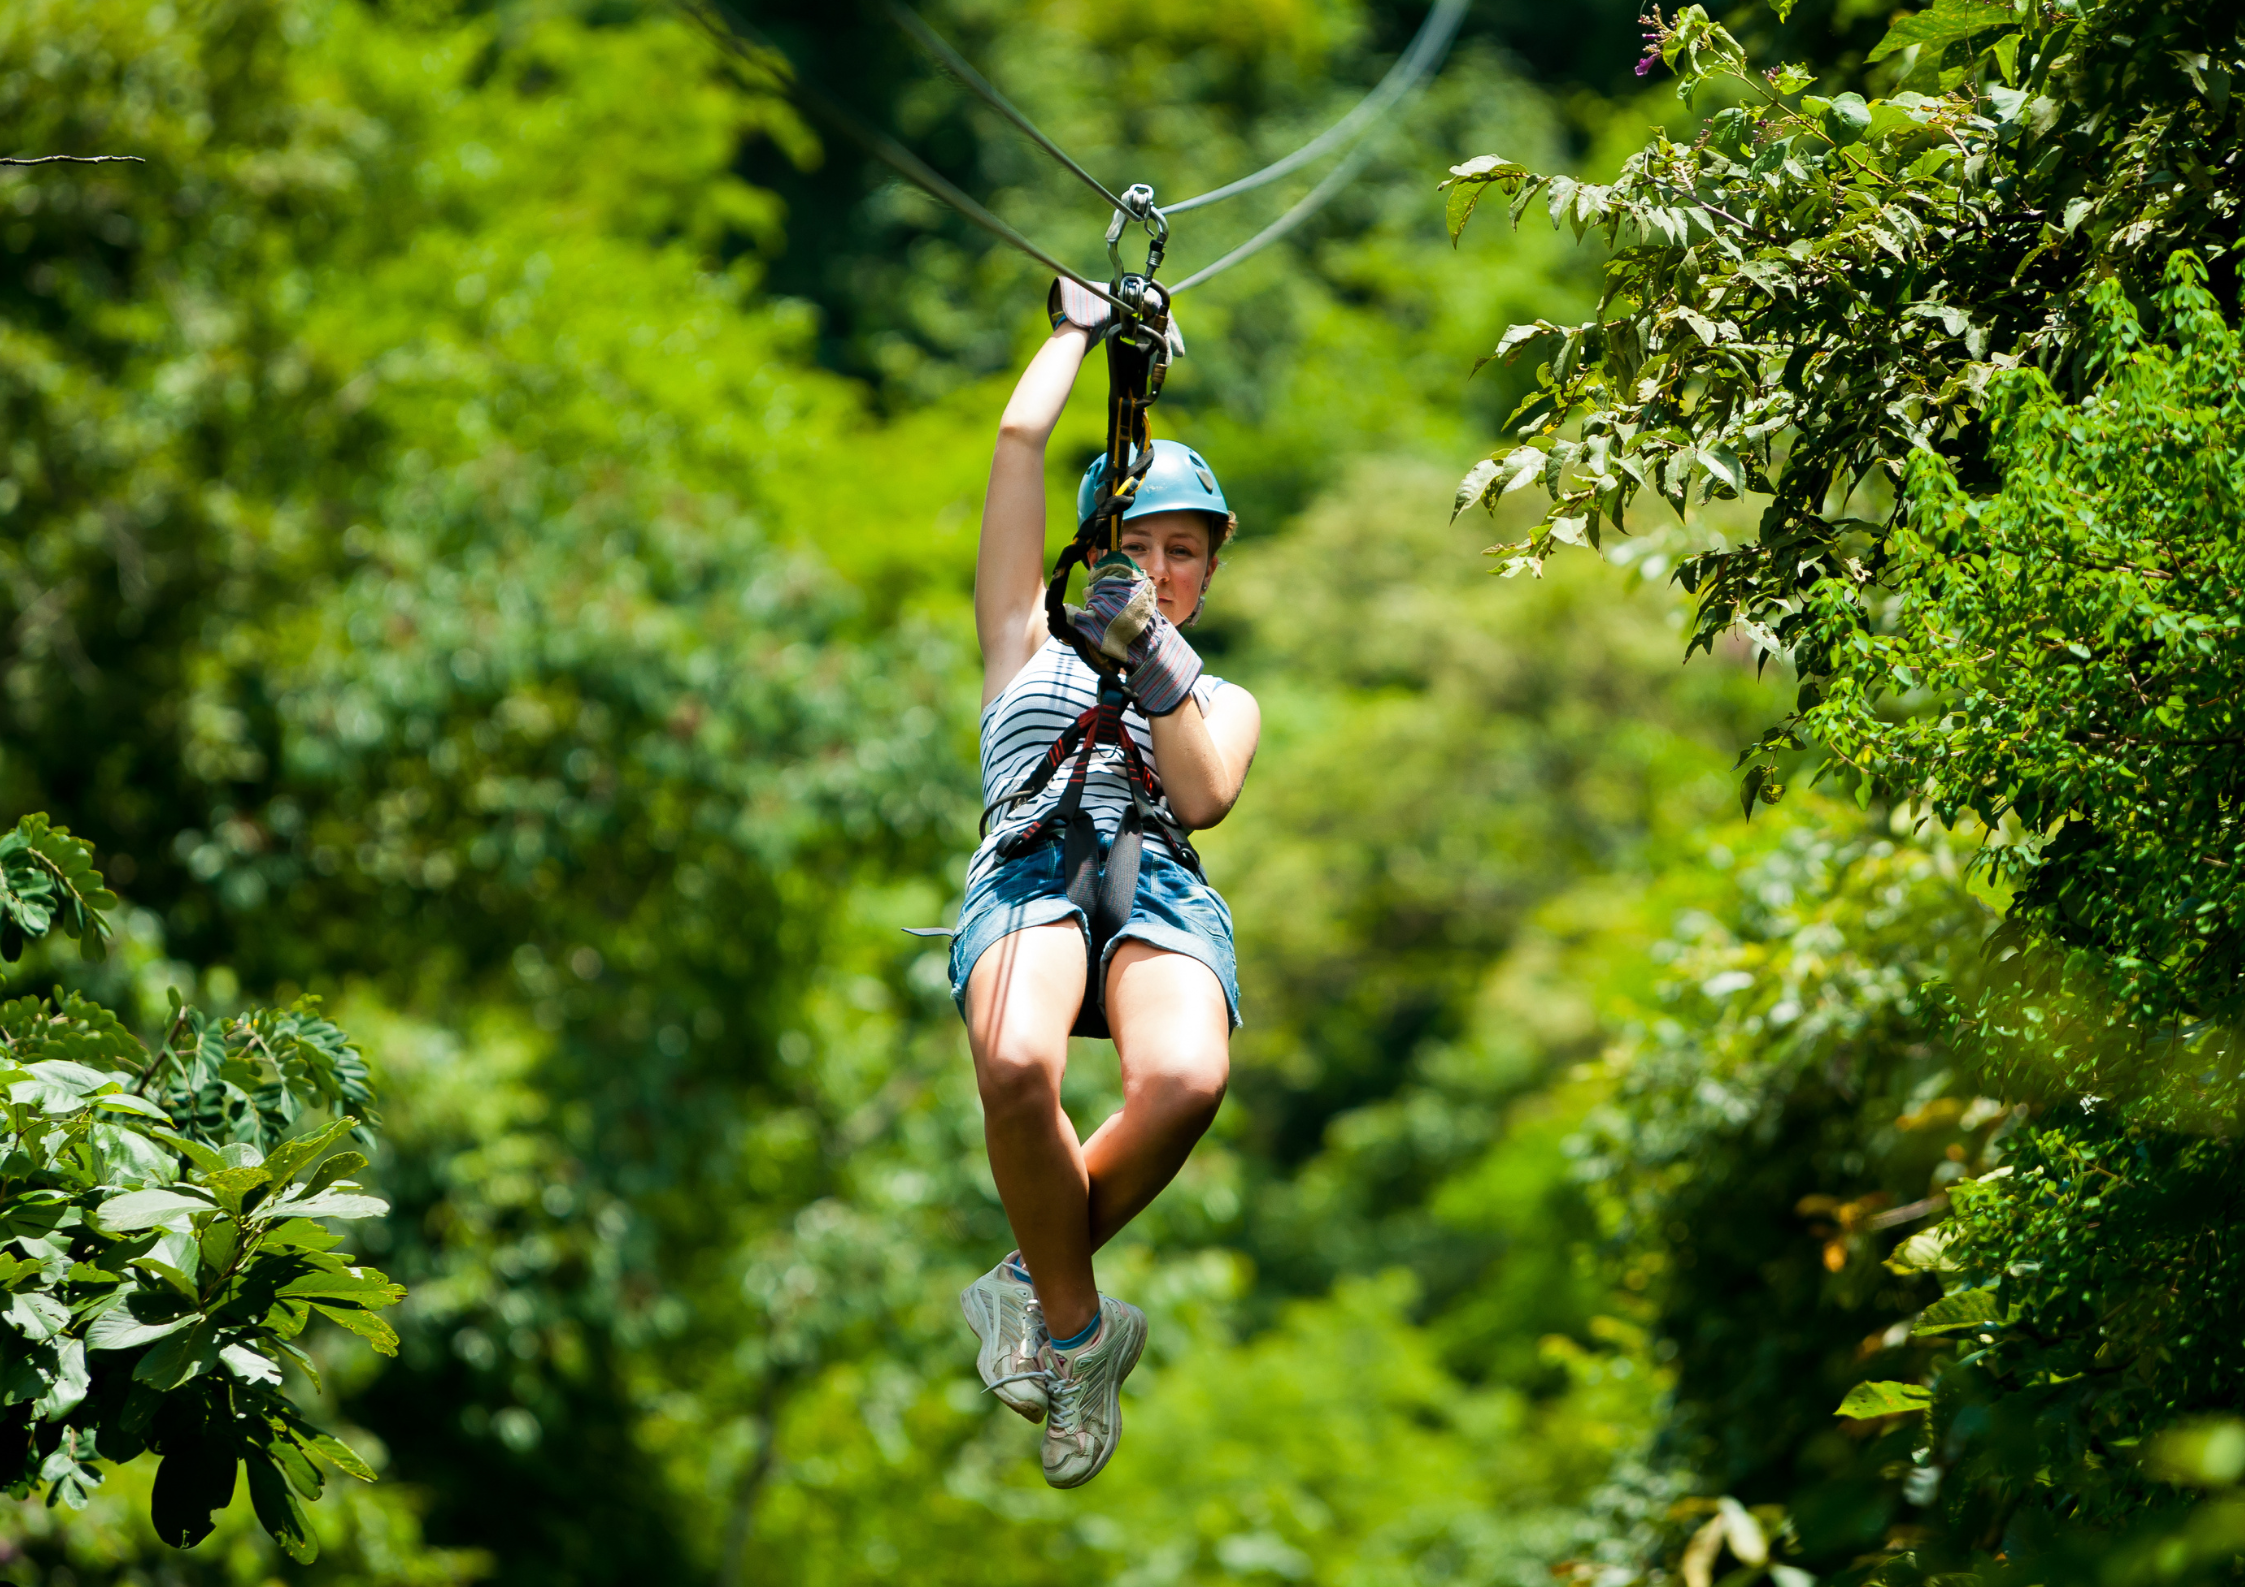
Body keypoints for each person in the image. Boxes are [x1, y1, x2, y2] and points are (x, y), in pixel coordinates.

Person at [948, 279, 1261, 1489]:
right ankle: (1079, 1336)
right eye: (1136, 547)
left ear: (1208, 576)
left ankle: (1032, 1282)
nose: (1160, 568)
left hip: (1157, 881)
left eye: (1183, 554)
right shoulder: (1020, 638)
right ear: (1092, 552)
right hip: (1032, 860)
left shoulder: (1219, 695)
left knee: (1185, 1077)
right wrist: (1076, 334)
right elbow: (1019, 442)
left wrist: (1153, 656)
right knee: (1019, 1068)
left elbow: (1203, 796)